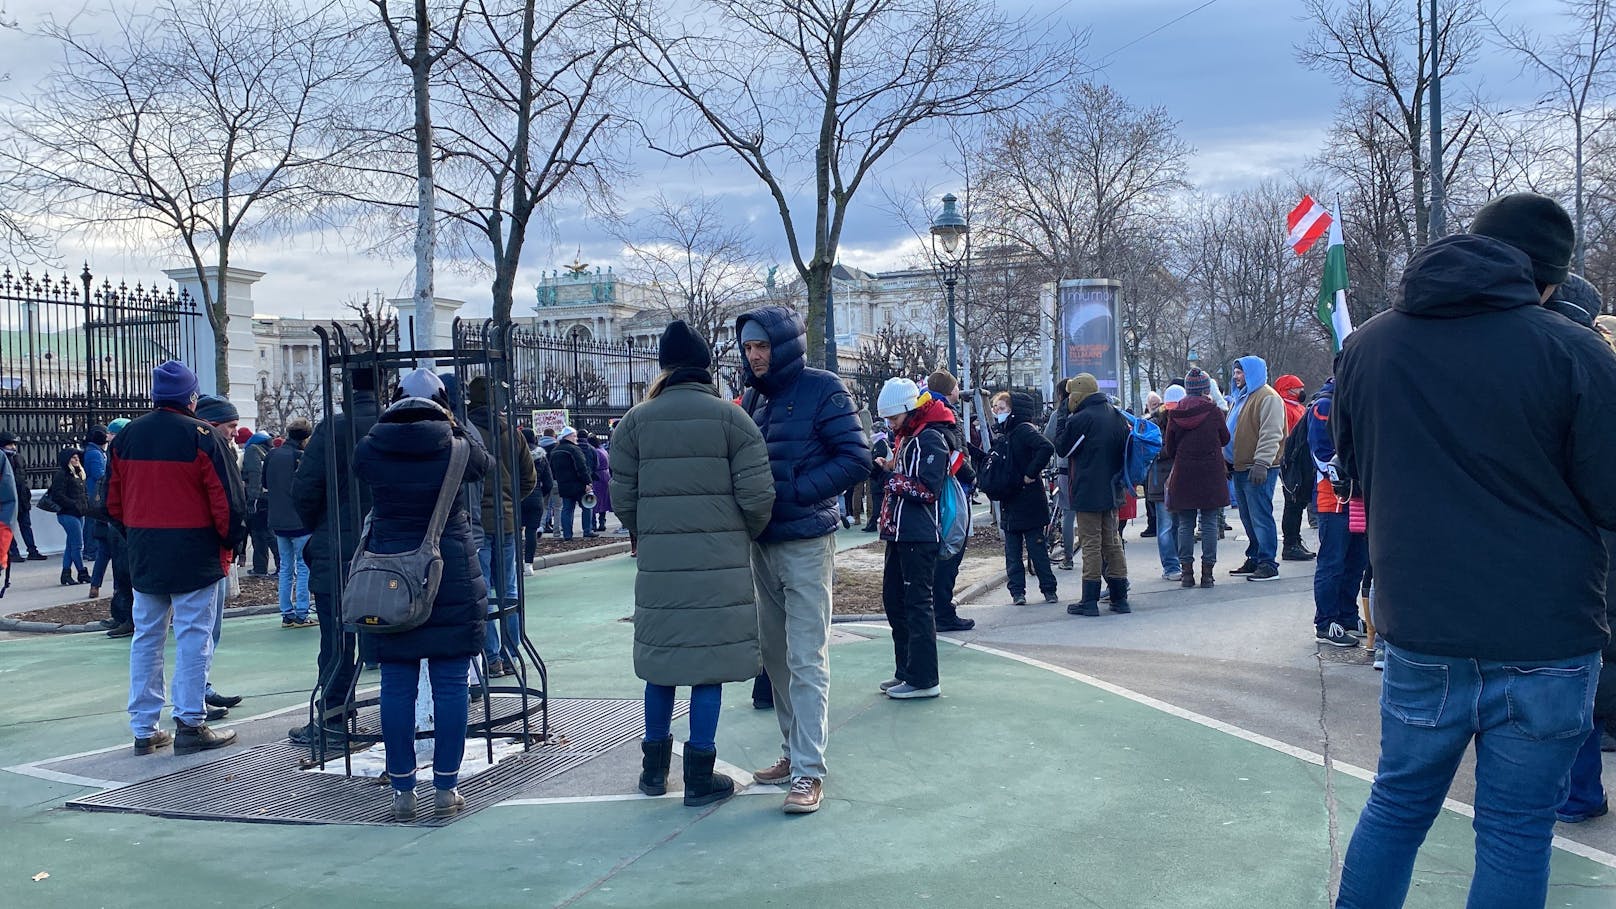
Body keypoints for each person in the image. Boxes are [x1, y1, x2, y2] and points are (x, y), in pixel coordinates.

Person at [1333, 193, 1616, 906]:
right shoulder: (1573, 350)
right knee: (1517, 830)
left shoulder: (1368, 345)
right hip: (1547, 631)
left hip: (1423, 621)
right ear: (1547, 279)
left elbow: (1356, 471)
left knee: (1396, 808)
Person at [610, 321, 774, 807]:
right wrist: (742, 531)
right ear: (705, 367)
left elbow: (623, 499)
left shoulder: (634, 423)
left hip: (660, 564)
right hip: (719, 562)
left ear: (664, 367)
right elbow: (757, 496)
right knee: (708, 667)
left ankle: (653, 771)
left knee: (661, 664)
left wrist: (651, 530)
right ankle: (700, 774)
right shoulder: (733, 419)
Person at [736, 305, 869, 815]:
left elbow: (856, 458)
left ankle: (809, 771)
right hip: (763, 541)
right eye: (748, 347)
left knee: (806, 656)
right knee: (774, 656)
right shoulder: (754, 398)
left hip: (807, 540)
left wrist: (793, 491)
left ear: (784, 344)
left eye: (763, 346)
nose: (755, 355)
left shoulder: (824, 388)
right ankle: (793, 753)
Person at [353, 381, 492, 821]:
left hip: (390, 576)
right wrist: (458, 420)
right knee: (451, 685)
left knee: (397, 687)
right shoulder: (455, 448)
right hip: (446, 569)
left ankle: (402, 790)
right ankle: (446, 787)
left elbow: (359, 474)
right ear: (444, 405)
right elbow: (484, 463)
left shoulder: (371, 447)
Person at [108, 360, 246, 756]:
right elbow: (228, 502)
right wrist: (229, 543)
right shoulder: (203, 436)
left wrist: (137, 535)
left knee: (147, 637)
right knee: (193, 637)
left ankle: (144, 727)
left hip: (147, 551)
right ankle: (190, 721)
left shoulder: (126, 437)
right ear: (191, 396)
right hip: (195, 553)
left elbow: (112, 503)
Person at [289, 366, 383, 745]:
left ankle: (332, 718)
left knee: (337, 640)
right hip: (387, 546)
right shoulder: (389, 425)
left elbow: (305, 491)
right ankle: (403, 711)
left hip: (338, 547)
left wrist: (324, 523)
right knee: (392, 632)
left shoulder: (332, 428)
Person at [873, 377, 949, 699]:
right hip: (901, 534)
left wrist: (891, 477)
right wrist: (893, 469)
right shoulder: (910, 437)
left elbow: (928, 489)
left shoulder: (928, 439)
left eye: (893, 417)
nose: (890, 424)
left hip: (917, 534)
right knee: (896, 601)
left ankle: (923, 678)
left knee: (917, 604)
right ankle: (906, 671)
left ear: (909, 409)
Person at [467, 375, 538, 676]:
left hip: (476, 523)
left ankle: (491, 656)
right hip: (507, 519)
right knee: (508, 589)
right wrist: (509, 500)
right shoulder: (513, 433)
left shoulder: (466, 432)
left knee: (480, 591)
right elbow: (529, 479)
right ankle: (511, 654)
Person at [1055, 373, 1130, 616]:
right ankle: (1120, 598)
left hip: (1088, 489)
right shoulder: (1115, 415)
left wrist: (1063, 417)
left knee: (1091, 544)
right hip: (1112, 489)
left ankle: (1089, 600)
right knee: (1112, 542)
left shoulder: (1082, 419)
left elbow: (1062, 447)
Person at [194, 395, 249, 712]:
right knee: (200, 630)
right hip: (206, 551)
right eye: (230, 426)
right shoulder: (209, 450)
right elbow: (225, 501)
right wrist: (232, 537)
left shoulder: (223, 449)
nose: (234, 432)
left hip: (213, 549)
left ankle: (201, 688)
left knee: (204, 630)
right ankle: (195, 697)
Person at [1304, 375, 1364, 649]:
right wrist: (1343, 475)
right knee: (1333, 561)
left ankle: (1347, 615)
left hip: (1360, 494)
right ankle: (1326, 622)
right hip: (1334, 496)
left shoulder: (1355, 398)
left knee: (1356, 560)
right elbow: (1320, 453)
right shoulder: (1325, 405)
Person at [988, 391, 1058, 606]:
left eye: (1002, 408)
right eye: (996, 408)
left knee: (1036, 549)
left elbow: (1046, 447)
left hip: (1027, 499)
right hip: (1012, 497)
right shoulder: (1005, 434)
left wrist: (1031, 472)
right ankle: (1017, 591)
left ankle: (1048, 589)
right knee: (1012, 551)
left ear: (1013, 410)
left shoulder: (1022, 430)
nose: (997, 412)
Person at [1163, 369, 1229, 589]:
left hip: (1184, 472)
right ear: (1205, 389)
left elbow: (1169, 447)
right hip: (1211, 472)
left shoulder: (1175, 414)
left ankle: (1186, 573)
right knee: (1209, 522)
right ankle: (1208, 574)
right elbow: (1225, 438)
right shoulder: (1213, 411)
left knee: (1185, 523)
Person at [922, 371, 977, 632]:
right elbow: (955, 451)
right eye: (956, 386)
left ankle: (936, 609)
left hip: (938, 490)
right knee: (951, 548)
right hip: (952, 489)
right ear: (949, 389)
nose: (958, 390)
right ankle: (943, 612)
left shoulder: (924, 409)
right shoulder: (945, 413)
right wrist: (971, 474)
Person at [1222, 356, 1285, 582]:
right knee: (1248, 517)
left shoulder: (1268, 397)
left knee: (1260, 515)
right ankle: (1256, 555)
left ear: (1252, 373)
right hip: (1239, 466)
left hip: (1258, 467)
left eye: (1241, 372)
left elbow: (1271, 433)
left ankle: (1268, 562)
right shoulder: (1241, 397)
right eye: (1236, 372)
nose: (1237, 376)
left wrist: (1262, 463)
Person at [265, 417, 315, 628]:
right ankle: (302, 612)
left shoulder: (272, 454)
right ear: (305, 437)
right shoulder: (300, 457)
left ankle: (286, 612)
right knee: (303, 567)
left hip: (277, 520)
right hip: (299, 521)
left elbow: (265, 484)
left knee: (285, 567)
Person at [1272, 374, 1315, 563]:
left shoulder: (1296, 406)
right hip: (1293, 460)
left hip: (1302, 459)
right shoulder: (1283, 407)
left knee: (1298, 502)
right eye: (1298, 388)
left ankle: (1295, 540)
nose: (1301, 391)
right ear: (1288, 390)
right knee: (1293, 501)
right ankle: (1291, 544)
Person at [100, 418, 135, 636]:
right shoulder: (117, 453)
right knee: (120, 572)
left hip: (124, 521)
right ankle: (120, 615)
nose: (108, 437)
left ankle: (128, 618)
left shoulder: (123, 453)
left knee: (126, 572)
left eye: (112, 433)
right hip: (117, 520)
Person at [1146, 386, 1183, 581]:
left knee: (1176, 524)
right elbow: (1152, 451)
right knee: (1168, 525)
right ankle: (1171, 565)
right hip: (1161, 479)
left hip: (1175, 478)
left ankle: (1175, 563)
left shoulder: (1181, 419)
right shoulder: (1154, 423)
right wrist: (1174, 448)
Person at [1043, 380, 1076, 571]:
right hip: (1084, 468)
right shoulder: (1081, 412)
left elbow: (1047, 437)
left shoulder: (1059, 414)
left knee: (1068, 515)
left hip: (1064, 467)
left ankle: (1068, 557)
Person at [47, 446, 91, 586]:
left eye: (77, 457)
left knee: (70, 545)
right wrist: (74, 504)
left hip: (79, 513)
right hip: (68, 514)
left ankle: (66, 573)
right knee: (77, 545)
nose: (76, 459)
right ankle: (82, 572)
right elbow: (57, 495)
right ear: (67, 460)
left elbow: (83, 493)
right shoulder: (62, 474)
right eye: (73, 457)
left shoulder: (79, 474)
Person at [1, 432, 45, 562]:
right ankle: (13, 552)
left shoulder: (18, 458)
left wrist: (26, 494)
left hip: (21, 498)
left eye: (14, 444)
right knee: (9, 527)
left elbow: (23, 478)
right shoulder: (2, 458)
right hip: (8, 500)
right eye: (10, 444)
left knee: (26, 525)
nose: (13, 447)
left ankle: (32, 550)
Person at [240, 426, 276, 577]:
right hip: (269, 498)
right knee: (267, 533)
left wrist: (252, 500)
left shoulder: (251, 451)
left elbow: (255, 476)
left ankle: (260, 568)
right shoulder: (267, 451)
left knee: (259, 534)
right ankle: (273, 566)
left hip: (257, 499)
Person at [81, 425, 111, 596]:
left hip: (97, 498)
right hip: (97, 498)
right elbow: (99, 473)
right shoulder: (95, 453)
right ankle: (89, 550)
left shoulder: (94, 451)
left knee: (104, 552)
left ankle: (95, 585)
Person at [550, 426, 593, 540]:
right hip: (578, 484)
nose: (576, 438)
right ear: (568, 436)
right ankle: (587, 531)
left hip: (563, 484)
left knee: (567, 509)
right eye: (574, 436)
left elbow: (552, 469)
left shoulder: (555, 450)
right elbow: (581, 467)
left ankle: (567, 535)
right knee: (586, 506)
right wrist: (587, 482)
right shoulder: (574, 449)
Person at [519, 427, 553, 570]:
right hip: (535, 495)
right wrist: (541, 494)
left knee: (515, 531)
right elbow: (549, 482)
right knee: (531, 531)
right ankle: (529, 564)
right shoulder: (542, 457)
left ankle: (516, 561)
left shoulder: (516, 455)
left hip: (517, 496)